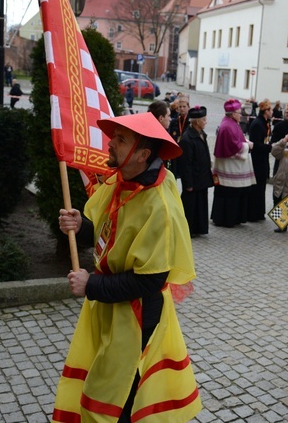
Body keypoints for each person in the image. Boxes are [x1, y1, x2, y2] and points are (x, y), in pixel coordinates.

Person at [54, 112, 202, 421]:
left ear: (144, 154)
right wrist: (82, 225)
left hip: (135, 317)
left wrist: (91, 285)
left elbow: (150, 279)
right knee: (104, 380)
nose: (111, 143)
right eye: (114, 137)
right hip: (110, 308)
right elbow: (107, 232)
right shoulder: (122, 181)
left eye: (121, 140)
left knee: (119, 394)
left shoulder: (158, 204)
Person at [211, 99, 255, 228]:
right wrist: (248, 146)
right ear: (232, 113)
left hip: (231, 168)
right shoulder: (227, 126)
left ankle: (234, 218)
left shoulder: (231, 123)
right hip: (228, 169)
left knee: (233, 195)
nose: (240, 114)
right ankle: (226, 219)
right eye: (239, 112)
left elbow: (237, 138)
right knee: (229, 196)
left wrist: (244, 140)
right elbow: (233, 146)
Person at [179, 106, 213, 238]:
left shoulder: (201, 134)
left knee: (201, 205)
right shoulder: (187, 139)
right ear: (197, 121)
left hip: (202, 178)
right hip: (193, 179)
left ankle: (199, 228)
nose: (206, 121)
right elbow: (185, 164)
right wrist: (188, 183)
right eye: (204, 119)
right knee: (191, 206)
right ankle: (189, 229)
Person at [247, 99, 273, 222]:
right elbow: (255, 144)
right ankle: (253, 213)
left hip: (263, 159)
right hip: (257, 160)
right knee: (256, 187)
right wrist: (269, 147)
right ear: (265, 111)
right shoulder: (257, 124)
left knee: (261, 186)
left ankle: (259, 212)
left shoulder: (266, 122)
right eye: (270, 109)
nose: (272, 111)